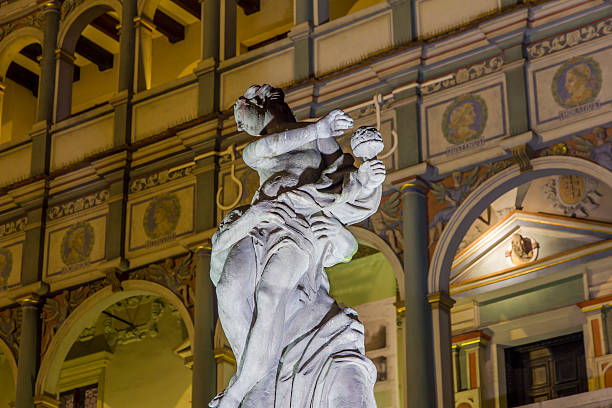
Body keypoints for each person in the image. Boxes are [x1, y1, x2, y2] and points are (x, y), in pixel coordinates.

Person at [210, 84, 384, 408]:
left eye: (242, 114)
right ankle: (253, 377)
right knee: (229, 289)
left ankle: (240, 388)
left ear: (259, 104)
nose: (240, 126)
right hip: (261, 222)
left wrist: (369, 180)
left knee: (268, 294)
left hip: (297, 227)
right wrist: (320, 127)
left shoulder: (319, 139)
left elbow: (346, 185)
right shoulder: (269, 145)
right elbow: (260, 151)